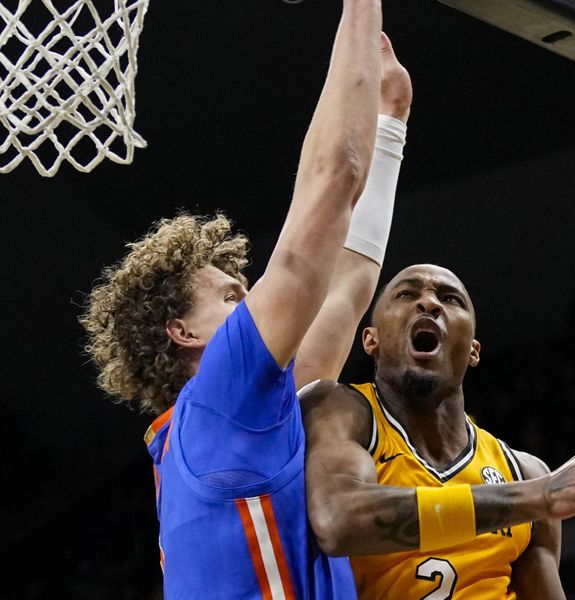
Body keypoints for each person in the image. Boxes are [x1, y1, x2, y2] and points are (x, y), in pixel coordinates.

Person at [80, 1, 413, 597]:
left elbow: (348, 285)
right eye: (233, 295)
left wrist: (390, 123)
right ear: (183, 332)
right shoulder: (217, 401)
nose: (255, 300)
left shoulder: (230, 422)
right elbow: (334, 174)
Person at [300, 264, 575, 600]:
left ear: (473, 351)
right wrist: (540, 497)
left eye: (449, 298)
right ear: (371, 340)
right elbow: (336, 520)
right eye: (407, 295)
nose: (429, 303)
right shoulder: (340, 409)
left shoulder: (522, 472)